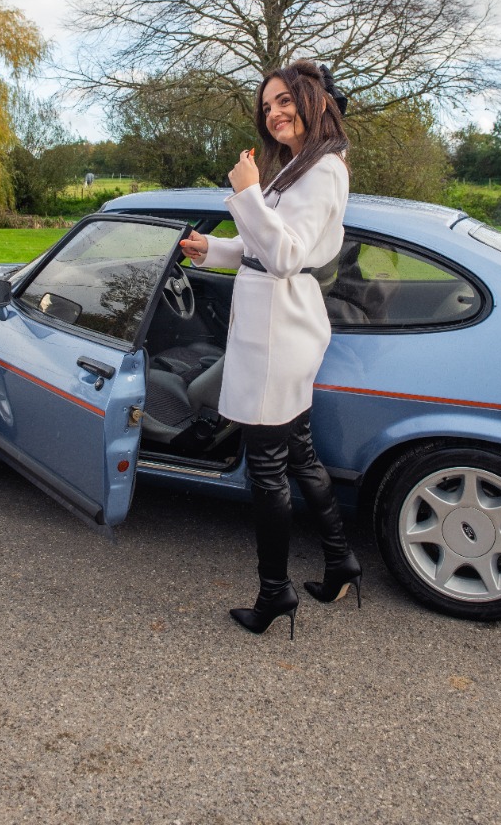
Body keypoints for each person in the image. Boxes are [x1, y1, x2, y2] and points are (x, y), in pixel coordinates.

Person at [179, 60, 361, 639]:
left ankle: (274, 592)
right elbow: (264, 245)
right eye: (267, 106)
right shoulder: (299, 166)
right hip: (282, 326)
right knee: (299, 452)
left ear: (314, 102)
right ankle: (341, 562)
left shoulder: (323, 170)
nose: (274, 113)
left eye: (284, 101)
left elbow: (285, 257)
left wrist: (247, 192)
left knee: (267, 466)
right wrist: (211, 249)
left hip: (279, 332)